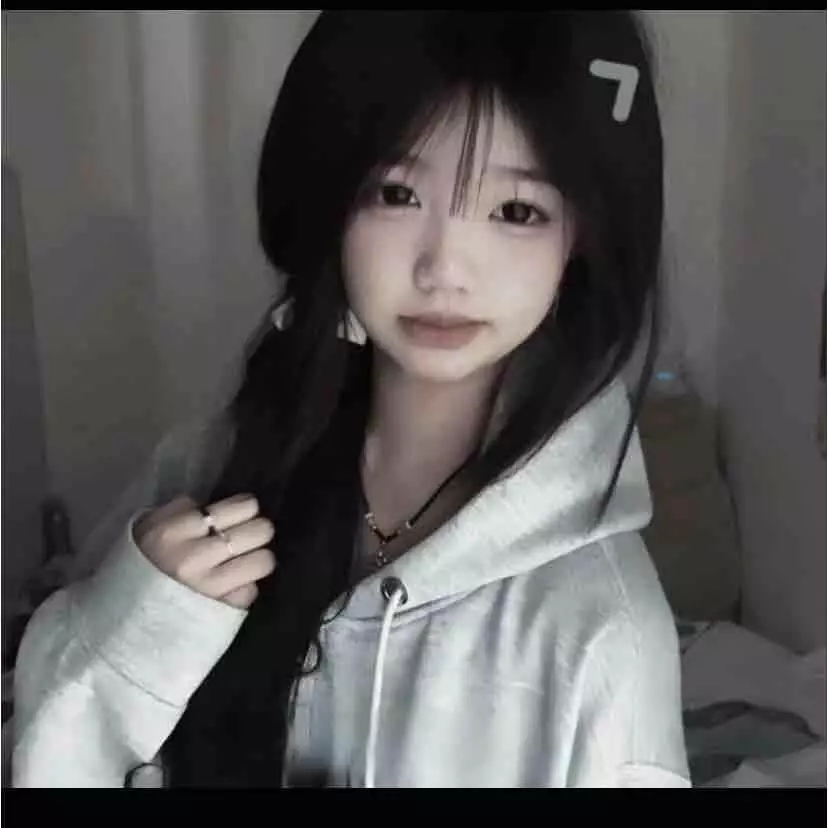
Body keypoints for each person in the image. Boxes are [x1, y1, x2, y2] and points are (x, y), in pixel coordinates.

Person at [11, 10, 690, 788]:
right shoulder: (207, 470)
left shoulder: (602, 627)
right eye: (397, 194)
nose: (445, 268)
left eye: (516, 211)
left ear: (582, 240)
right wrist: (129, 638)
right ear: (332, 205)